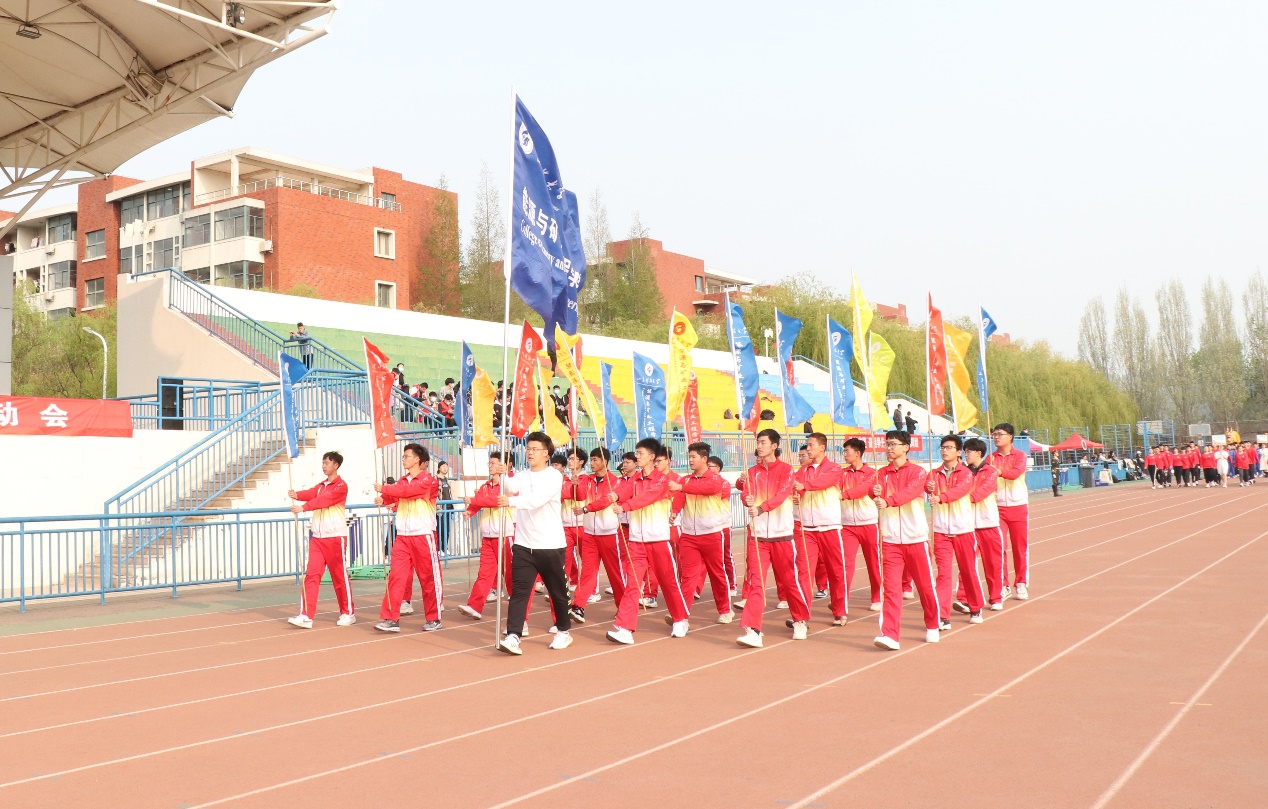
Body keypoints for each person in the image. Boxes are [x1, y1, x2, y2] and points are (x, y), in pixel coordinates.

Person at [606, 438, 690, 644]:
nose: (637, 456)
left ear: (652, 457)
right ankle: (625, 628)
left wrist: (625, 506)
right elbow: (625, 492)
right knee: (632, 585)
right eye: (636, 453)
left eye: (640, 453)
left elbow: (647, 497)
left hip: (658, 539)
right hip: (636, 541)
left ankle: (680, 619)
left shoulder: (662, 480)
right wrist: (616, 496)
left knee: (668, 581)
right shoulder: (634, 479)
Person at [496, 431, 574, 655]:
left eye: (535, 449)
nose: (530, 452)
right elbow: (509, 487)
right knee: (519, 591)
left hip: (550, 545)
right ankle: (513, 635)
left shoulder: (553, 476)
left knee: (557, 591)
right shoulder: (523, 475)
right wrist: (502, 474)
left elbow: (536, 500)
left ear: (547, 454)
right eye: (528, 448)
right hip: (523, 544)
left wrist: (511, 501)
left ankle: (563, 631)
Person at [736, 429, 811, 648]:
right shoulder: (752, 472)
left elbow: (781, 495)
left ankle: (800, 620)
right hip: (758, 537)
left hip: (783, 536)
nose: (759, 446)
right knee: (756, 584)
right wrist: (746, 498)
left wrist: (761, 508)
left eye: (763, 442)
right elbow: (745, 493)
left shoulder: (787, 470)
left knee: (790, 582)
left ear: (774, 446)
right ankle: (753, 630)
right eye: (758, 442)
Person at [871, 430, 938, 651]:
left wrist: (887, 501)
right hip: (890, 539)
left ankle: (932, 624)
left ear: (906, 447)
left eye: (893, 444)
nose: (889, 448)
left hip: (915, 538)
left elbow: (910, 493)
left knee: (925, 586)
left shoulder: (918, 472)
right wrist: (874, 492)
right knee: (891, 589)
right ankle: (890, 634)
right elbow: (874, 492)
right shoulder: (881, 474)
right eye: (887, 444)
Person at [374, 443, 442, 632]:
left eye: (407, 456)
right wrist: (383, 499)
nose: (403, 459)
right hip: (403, 537)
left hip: (423, 535)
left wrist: (385, 489)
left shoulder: (428, 480)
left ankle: (433, 618)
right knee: (396, 577)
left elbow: (409, 493)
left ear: (417, 459)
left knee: (428, 578)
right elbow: (395, 497)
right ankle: (390, 618)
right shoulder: (403, 480)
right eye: (403, 456)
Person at [667, 441, 734, 623]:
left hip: (712, 533)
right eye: (689, 456)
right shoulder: (685, 480)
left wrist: (681, 487)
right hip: (689, 535)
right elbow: (680, 497)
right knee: (688, 576)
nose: (690, 460)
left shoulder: (716, 480)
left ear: (704, 459)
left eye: (693, 457)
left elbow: (706, 489)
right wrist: (674, 511)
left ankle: (725, 610)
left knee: (716, 574)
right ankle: (681, 615)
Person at [286, 451, 354, 628]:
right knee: (312, 576)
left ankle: (347, 612)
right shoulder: (321, 485)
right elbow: (311, 493)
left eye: (327, 463)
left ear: (336, 465)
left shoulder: (341, 486)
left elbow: (324, 501)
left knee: (339, 577)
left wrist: (304, 507)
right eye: (323, 463)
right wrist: (296, 494)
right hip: (318, 537)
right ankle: (306, 615)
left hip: (335, 537)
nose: (324, 466)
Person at [928, 434, 983, 629]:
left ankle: (975, 607)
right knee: (943, 574)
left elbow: (960, 490)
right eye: (943, 447)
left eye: (949, 447)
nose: (945, 451)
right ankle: (943, 616)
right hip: (941, 531)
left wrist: (941, 497)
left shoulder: (966, 473)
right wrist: (928, 487)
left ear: (959, 452)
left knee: (968, 570)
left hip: (963, 530)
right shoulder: (934, 474)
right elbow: (925, 487)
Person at [568, 447, 629, 623]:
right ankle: (578, 606)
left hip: (610, 533)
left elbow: (604, 502)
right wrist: (575, 485)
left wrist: (586, 509)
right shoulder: (587, 480)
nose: (592, 463)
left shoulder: (615, 482)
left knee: (615, 574)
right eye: (592, 459)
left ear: (605, 461)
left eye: (595, 460)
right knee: (587, 571)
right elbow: (579, 496)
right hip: (590, 533)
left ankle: (623, 608)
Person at [793, 432, 848, 626]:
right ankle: (801, 616)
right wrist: (795, 494)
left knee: (836, 571)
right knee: (803, 571)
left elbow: (824, 482)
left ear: (822, 448)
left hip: (829, 526)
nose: (808, 449)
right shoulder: (802, 471)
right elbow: (794, 488)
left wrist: (803, 486)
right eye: (807, 445)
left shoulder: (834, 469)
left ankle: (839, 610)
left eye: (811, 445)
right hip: (807, 529)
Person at [458, 452, 518, 619]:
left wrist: (473, 501)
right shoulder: (485, 486)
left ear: (503, 465)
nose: (490, 466)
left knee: (510, 573)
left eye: (493, 463)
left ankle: (518, 605)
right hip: (488, 536)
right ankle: (474, 606)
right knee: (484, 573)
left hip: (505, 535)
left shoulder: (509, 486)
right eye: (489, 463)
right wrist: (470, 512)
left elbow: (494, 501)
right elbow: (479, 502)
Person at [959, 436, 1007, 611]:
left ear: (978, 453)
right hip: (967, 526)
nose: (966, 454)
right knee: (966, 565)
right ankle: (964, 598)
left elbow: (981, 493)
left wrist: (959, 497)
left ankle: (996, 597)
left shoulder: (991, 471)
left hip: (988, 524)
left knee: (992, 564)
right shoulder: (962, 472)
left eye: (968, 451)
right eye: (964, 451)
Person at [840, 437, 882, 612]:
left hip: (868, 524)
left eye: (847, 451)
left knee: (873, 562)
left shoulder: (872, 473)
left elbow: (862, 490)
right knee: (845, 563)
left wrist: (843, 495)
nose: (844, 454)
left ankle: (877, 596)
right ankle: (842, 599)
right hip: (847, 525)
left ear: (857, 453)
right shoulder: (842, 474)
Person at [989, 422, 1029, 601]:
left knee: (1020, 548)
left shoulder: (1020, 456)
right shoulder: (990, 458)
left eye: (1000, 434)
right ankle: (1003, 585)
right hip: (997, 508)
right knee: (999, 547)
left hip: (1018, 506)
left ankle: (1021, 582)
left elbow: (1014, 473)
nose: (996, 437)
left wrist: (997, 471)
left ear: (1010, 436)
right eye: (994, 435)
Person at [708, 455, 739, 597]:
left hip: (723, 525)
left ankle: (732, 585)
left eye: (711, 466)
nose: (708, 469)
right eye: (707, 466)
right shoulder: (701, 482)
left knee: (725, 556)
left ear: (718, 469)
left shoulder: (724, 483)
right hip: (708, 527)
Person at [561, 448, 587, 591]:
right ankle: (562, 588)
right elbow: (561, 495)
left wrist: (573, 487)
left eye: (573, 459)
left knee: (586, 559)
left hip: (582, 524)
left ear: (581, 462)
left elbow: (579, 495)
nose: (570, 461)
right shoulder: (565, 480)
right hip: (566, 524)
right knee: (565, 558)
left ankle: (591, 590)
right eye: (569, 459)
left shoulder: (585, 479)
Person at [435, 460, 453, 554]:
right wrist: (437, 506)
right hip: (441, 508)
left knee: (447, 529)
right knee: (440, 528)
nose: (445, 468)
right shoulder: (436, 479)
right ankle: (439, 548)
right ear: (439, 468)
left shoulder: (447, 480)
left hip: (449, 507)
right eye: (443, 466)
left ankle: (445, 548)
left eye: (446, 466)